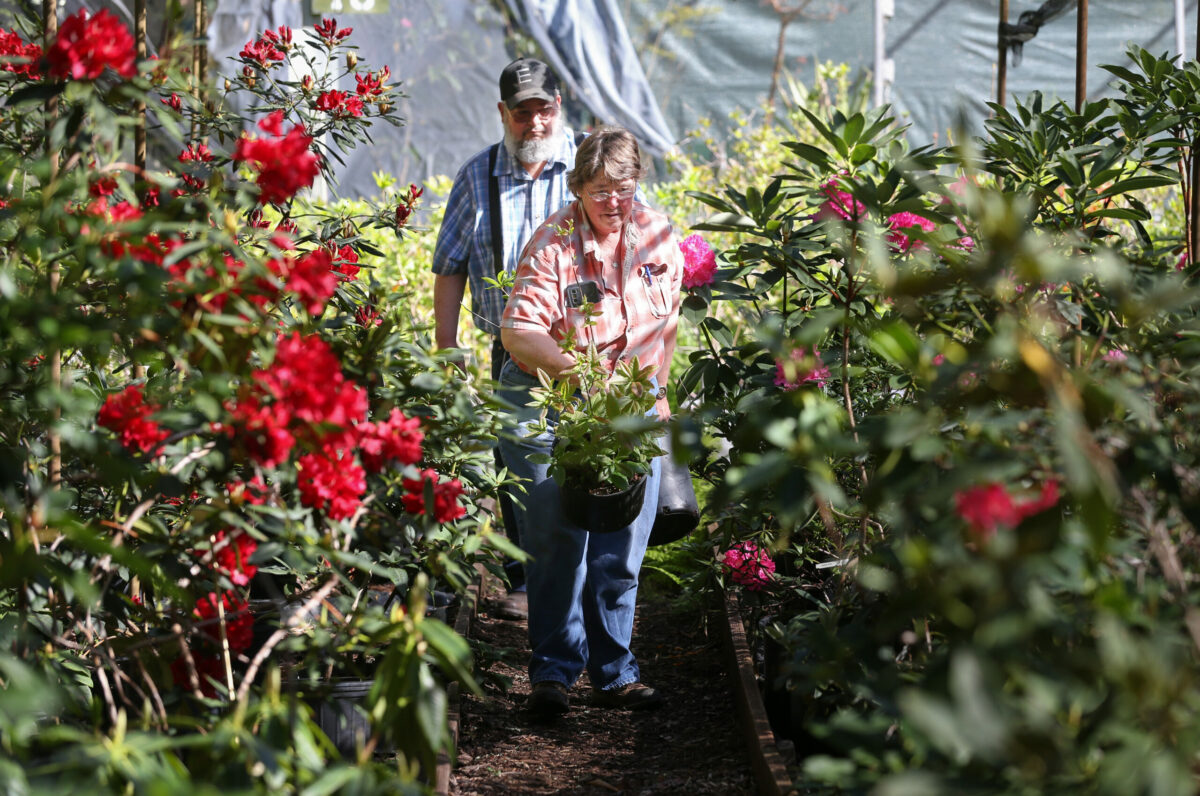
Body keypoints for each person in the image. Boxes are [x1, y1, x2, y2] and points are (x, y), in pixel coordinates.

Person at [497, 126, 684, 716]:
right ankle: (553, 672)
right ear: (578, 187)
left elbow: (666, 329)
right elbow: (519, 332)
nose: (613, 201)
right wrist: (580, 375)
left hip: (628, 403)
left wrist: (658, 402)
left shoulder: (659, 236)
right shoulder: (553, 242)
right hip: (547, 395)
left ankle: (615, 671)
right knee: (557, 534)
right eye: (600, 188)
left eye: (623, 187)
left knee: (621, 542)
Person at [432, 57, 581, 621]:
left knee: (585, 460)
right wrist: (447, 348)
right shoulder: (477, 177)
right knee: (520, 472)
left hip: (584, 349)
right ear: (503, 114)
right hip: (511, 352)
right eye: (523, 114)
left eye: (543, 110)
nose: (535, 124)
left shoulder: (586, 165)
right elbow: (450, 264)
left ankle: (579, 578)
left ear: (558, 108)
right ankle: (525, 581)